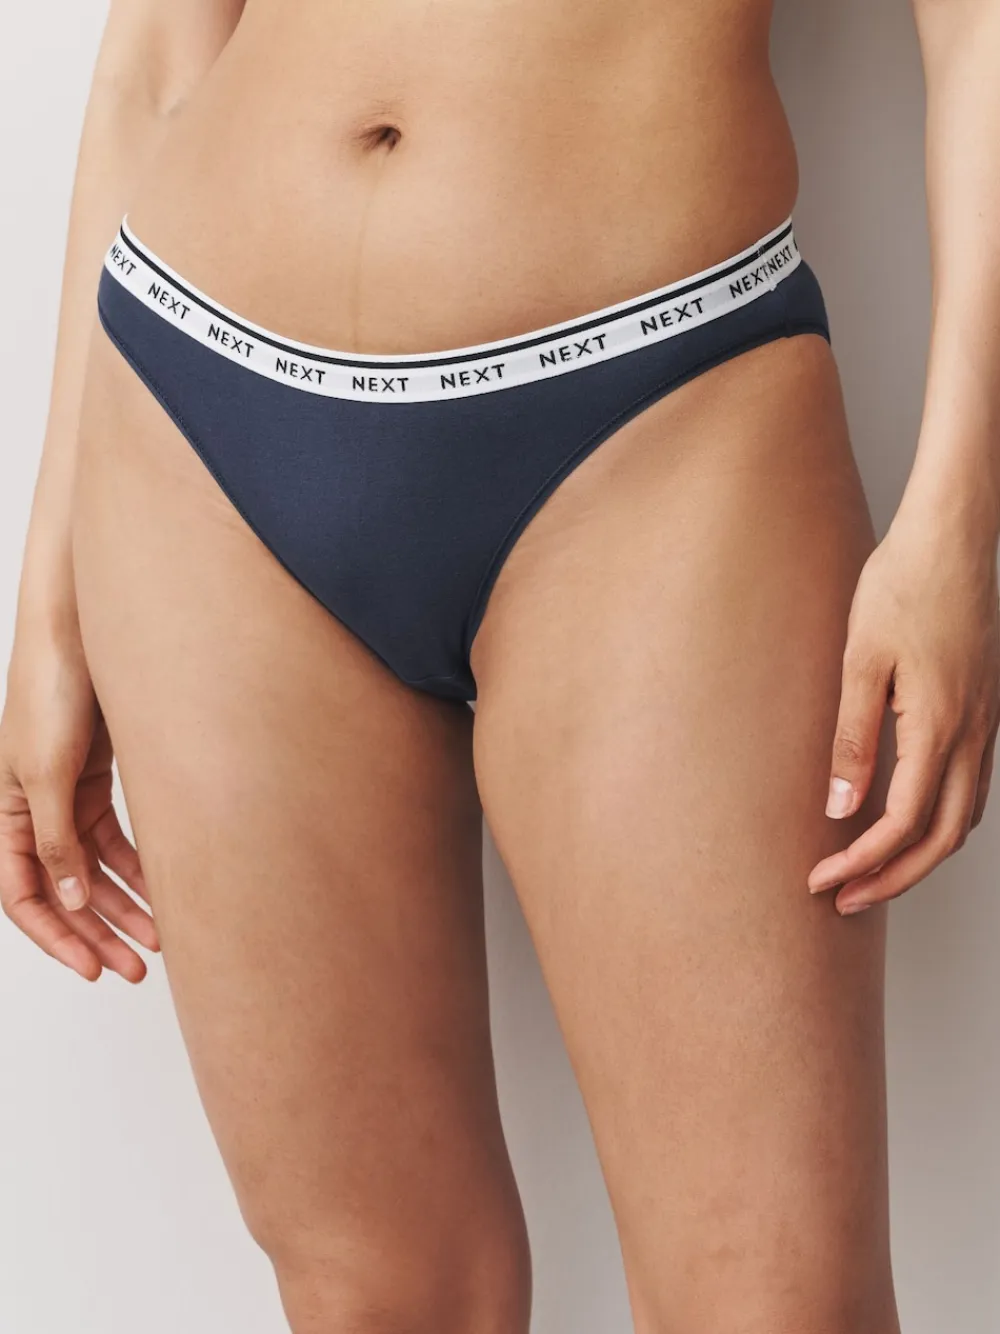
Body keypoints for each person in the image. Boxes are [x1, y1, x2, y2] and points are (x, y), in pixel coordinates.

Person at [2, 0, 998, 1329]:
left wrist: (958, 523)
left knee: (773, 1303)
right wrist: (51, 592)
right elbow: (155, 52)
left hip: (657, 411)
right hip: (196, 418)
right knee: (379, 1296)